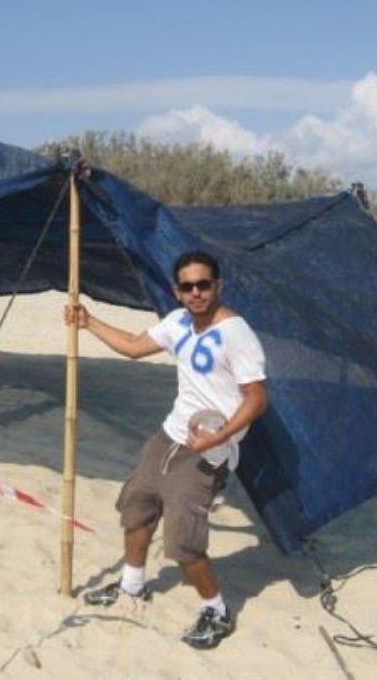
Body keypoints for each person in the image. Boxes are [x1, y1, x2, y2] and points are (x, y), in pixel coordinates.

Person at [65, 251, 267, 650]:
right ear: (177, 291)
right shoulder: (177, 323)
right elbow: (134, 347)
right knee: (137, 506)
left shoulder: (236, 333)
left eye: (203, 284)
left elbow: (257, 398)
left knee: (183, 542)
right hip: (169, 435)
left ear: (218, 286)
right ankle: (132, 586)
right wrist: (88, 322)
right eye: (188, 286)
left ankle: (217, 611)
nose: (196, 293)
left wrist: (219, 437)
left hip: (207, 450)